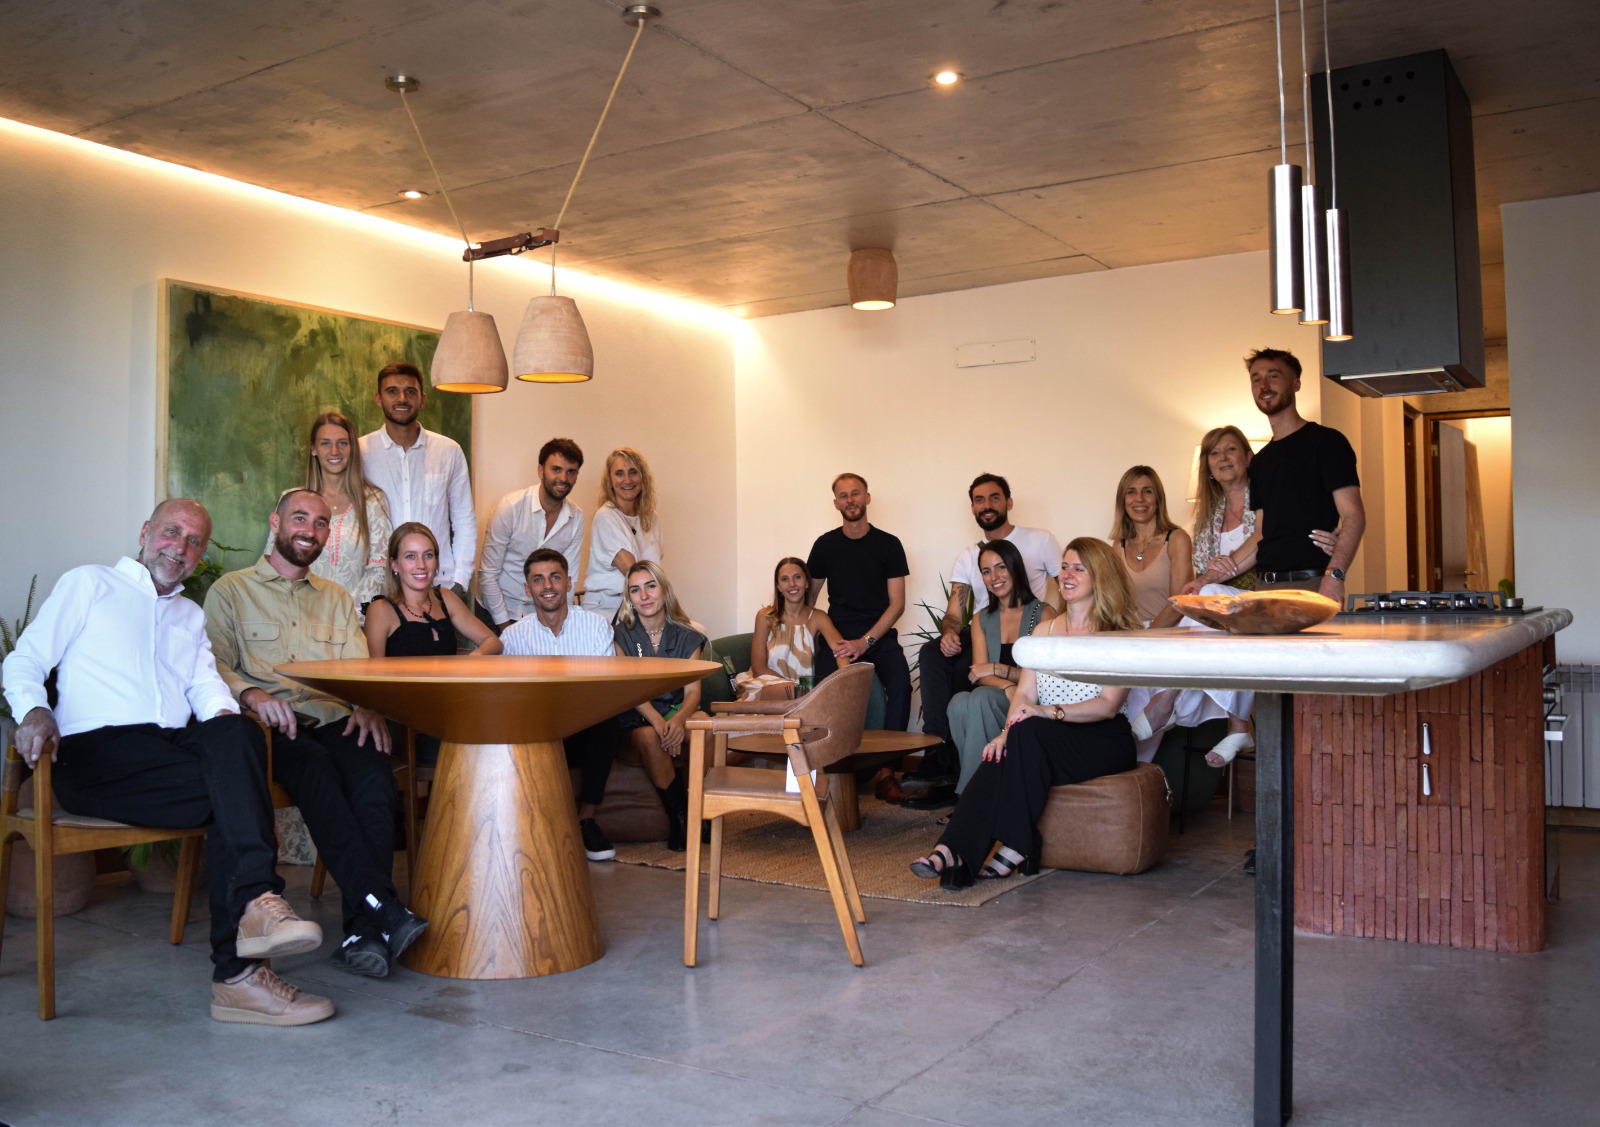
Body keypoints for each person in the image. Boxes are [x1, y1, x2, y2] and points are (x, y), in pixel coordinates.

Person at [1, 499, 332, 1025]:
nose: (180, 547)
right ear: (145, 532)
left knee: (236, 738)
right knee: (236, 794)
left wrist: (233, 736)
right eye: (171, 532)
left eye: (194, 541)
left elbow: (206, 688)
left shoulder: (190, 616)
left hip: (170, 750)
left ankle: (250, 936)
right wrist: (34, 710)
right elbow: (26, 658)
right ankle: (242, 968)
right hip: (96, 754)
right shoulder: (90, 584)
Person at [205, 488, 427, 980]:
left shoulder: (336, 598)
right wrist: (252, 696)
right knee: (318, 774)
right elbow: (212, 665)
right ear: (276, 523)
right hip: (273, 729)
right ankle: (383, 910)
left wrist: (366, 704)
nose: (310, 530)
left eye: (321, 523)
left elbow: (356, 668)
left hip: (335, 719)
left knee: (374, 781)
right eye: (300, 518)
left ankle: (362, 932)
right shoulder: (230, 591)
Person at [910, 538, 1141, 888]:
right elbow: (1025, 694)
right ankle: (960, 850)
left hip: (1103, 738)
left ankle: (970, 848)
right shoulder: (1043, 632)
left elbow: (1108, 705)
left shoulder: (1117, 635)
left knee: (1028, 730)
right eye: (1065, 567)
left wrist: (1045, 713)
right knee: (1009, 743)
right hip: (1048, 736)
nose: (1067, 575)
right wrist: (1004, 735)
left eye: (1079, 569)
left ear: (1100, 578)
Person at [915, 474, 1063, 790]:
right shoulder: (968, 556)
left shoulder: (1039, 541)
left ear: (1008, 502)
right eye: (979, 500)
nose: (987, 505)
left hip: (1028, 631)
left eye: (994, 497)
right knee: (936, 657)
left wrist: (1061, 627)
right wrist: (949, 633)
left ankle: (969, 791)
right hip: (985, 627)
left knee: (978, 693)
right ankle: (939, 748)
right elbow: (955, 612)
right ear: (972, 508)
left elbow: (1067, 586)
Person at [1127, 426, 1262, 765]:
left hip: (1261, 598)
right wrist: (1204, 578)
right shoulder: (1209, 515)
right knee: (1197, 606)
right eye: (1214, 453)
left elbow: (1268, 544)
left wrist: (1215, 575)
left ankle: (1166, 700)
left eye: (1230, 450)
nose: (1222, 458)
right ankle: (1237, 727)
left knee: (1209, 595)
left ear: (1248, 457)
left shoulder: (1263, 500)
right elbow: (1201, 574)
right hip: (1224, 612)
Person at [1214, 348, 1365, 605]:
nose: (1264, 386)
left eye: (1273, 376)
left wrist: (1334, 576)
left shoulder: (1328, 442)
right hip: (1264, 588)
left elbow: (1354, 516)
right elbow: (1261, 536)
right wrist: (1206, 579)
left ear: (1296, 383)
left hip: (1312, 585)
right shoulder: (1260, 462)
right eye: (1256, 379)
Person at [501, 548, 621, 862]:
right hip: (536, 733)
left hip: (584, 728)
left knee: (606, 720)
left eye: (555, 577)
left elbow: (603, 689)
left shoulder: (596, 626)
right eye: (538, 579)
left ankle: (586, 821)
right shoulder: (512, 638)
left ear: (568, 582)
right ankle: (531, 826)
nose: (547, 586)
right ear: (527, 588)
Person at [364, 522, 502, 765]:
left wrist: (472, 661)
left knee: (501, 733)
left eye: (428, 555)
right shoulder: (381, 609)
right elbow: (372, 682)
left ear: (436, 562)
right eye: (410, 556)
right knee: (478, 750)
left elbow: (493, 642)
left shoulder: (445, 598)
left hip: (449, 715)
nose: (421, 565)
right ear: (394, 564)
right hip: (404, 724)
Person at [947, 538, 1057, 799]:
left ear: (1014, 567)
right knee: (958, 703)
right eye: (986, 571)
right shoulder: (981, 619)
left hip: (1032, 699)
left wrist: (998, 669)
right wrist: (1007, 685)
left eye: (1000, 567)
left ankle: (970, 798)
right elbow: (979, 674)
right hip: (1002, 694)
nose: (994, 577)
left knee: (981, 698)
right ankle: (989, 789)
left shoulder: (1044, 614)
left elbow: (1046, 676)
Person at [612, 561, 707, 852]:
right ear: (629, 598)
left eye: (651, 586)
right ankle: (680, 817)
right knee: (650, 737)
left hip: (674, 712)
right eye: (635, 590)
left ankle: (703, 811)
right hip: (635, 718)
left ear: (664, 590)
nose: (644, 596)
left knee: (704, 725)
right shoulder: (619, 634)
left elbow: (693, 692)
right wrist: (659, 723)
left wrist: (677, 721)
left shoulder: (688, 635)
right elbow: (629, 689)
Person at [358, 361, 476, 594]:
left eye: (410, 391)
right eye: (392, 391)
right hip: (379, 585)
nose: (402, 398)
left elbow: (464, 520)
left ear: (422, 399)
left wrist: (460, 581)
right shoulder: (360, 452)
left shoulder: (448, 451)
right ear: (378, 399)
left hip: (438, 582)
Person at [805, 473, 912, 731]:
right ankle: (831, 754)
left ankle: (891, 756)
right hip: (837, 639)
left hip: (879, 638)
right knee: (821, 692)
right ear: (836, 504)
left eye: (855, 493)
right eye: (843, 496)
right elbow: (808, 600)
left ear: (867, 497)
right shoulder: (825, 545)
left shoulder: (889, 544)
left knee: (901, 686)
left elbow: (897, 604)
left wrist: (866, 642)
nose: (850, 500)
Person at [269, 410, 391, 614]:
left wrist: (347, 614)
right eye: (325, 443)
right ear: (313, 449)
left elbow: (379, 567)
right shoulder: (291, 499)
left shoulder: (373, 500)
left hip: (354, 619)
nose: (334, 451)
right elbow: (274, 562)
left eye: (342, 443)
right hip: (297, 615)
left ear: (352, 449)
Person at [477, 437, 586, 630]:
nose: (563, 478)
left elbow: (568, 579)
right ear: (540, 471)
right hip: (495, 612)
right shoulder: (510, 507)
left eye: (571, 472)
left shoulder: (576, 518)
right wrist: (507, 630)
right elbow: (488, 575)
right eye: (556, 469)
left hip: (540, 616)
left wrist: (562, 626)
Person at [581, 448, 662, 618]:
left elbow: (655, 571)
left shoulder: (651, 517)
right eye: (619, 473)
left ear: (643, 477)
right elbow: (635, 574)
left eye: (633, 472)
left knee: (697, 631)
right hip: (608, 608)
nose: (627, 480)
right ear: (610, 481)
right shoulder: (605, 516)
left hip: (642, 604)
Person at [1109, 465, 1193, 628]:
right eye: (1131, 492)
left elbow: (1180, 602)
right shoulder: (1119, 546)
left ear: (1158, 499)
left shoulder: (1177, 539)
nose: (1139, 499)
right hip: (1131, 632)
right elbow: (1116, 604)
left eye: (1147, 491)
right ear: (1122, 501)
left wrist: (1148, 635)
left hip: (1169, 631)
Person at [747, 557, 845, 686]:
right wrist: (794, 689)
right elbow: (758, 669)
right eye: (785, 579)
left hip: (804, 692)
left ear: (807, 583)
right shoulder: (765, 616)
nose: (792, 584)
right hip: (766, 686)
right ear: (778, 586)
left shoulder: (818, 617)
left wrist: (846, 680)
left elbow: (842, 652)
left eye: (797, 577)